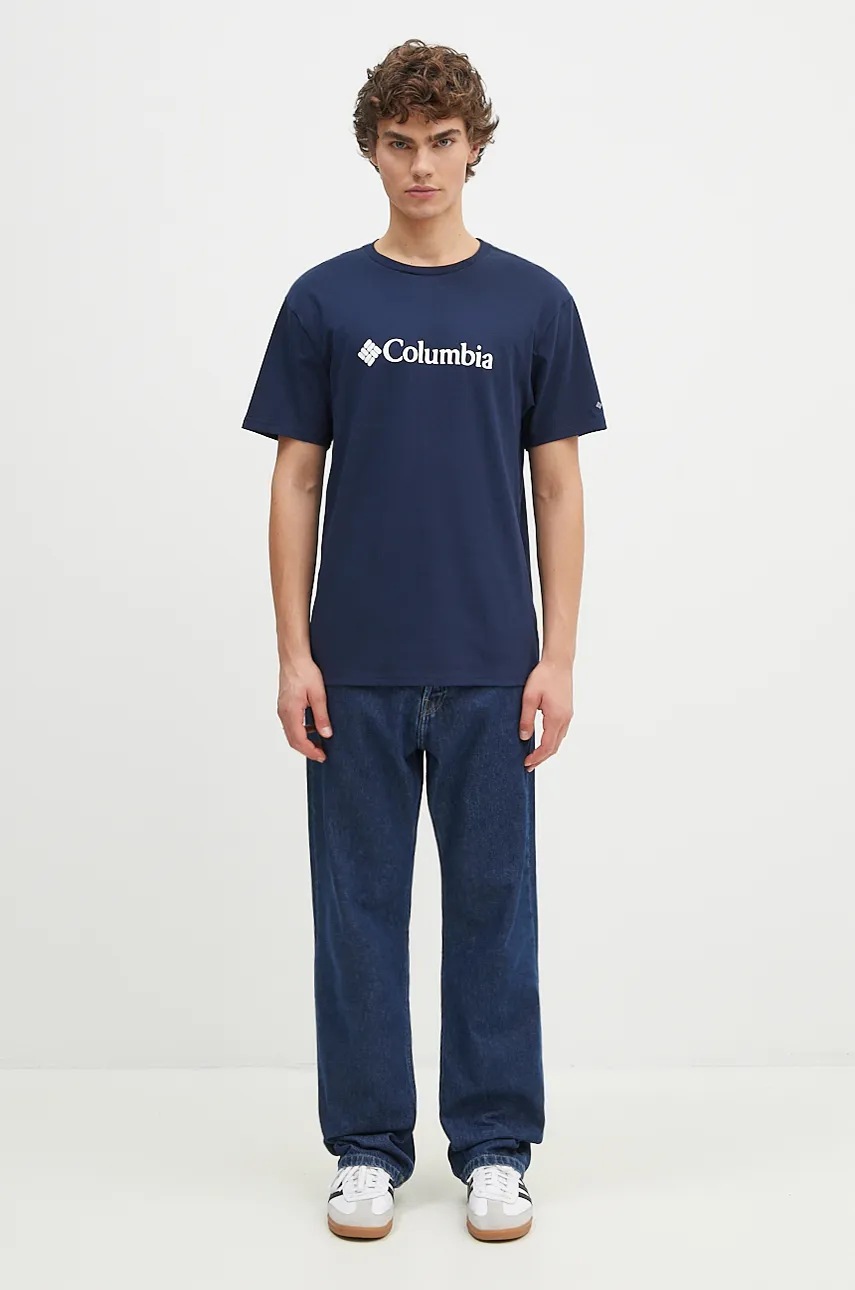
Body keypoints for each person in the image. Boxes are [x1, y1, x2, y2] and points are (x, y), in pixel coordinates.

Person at [241, 38, 607, 1242]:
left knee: (496, 911)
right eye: (399, 143)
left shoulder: (534, 302)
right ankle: (366, 1150)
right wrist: (294, 653)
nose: (421, 165)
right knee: (356, 915)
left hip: (496, 666)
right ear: (371, 150)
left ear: (475, 146)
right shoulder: (325, 301)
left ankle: (496, 1148)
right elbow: (297, 479)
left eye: (442, 141)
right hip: (354, 669)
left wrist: (558, 657)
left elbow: (559, 486)